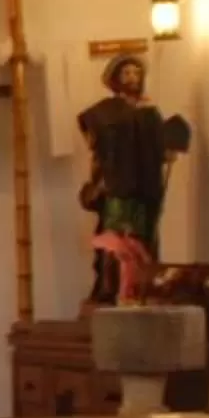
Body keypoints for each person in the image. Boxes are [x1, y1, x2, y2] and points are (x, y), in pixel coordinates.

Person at [76, 53, 190, 305]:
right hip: (117, 185)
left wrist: (167, 150)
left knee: (142, 240)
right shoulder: (106, 110)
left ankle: (140, 288)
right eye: (126, 73)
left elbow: (160, 145)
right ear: (116, 78)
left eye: (136, 73)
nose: (132, 77)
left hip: (145, 187)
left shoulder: (149, 111)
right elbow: (92, 135)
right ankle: (111, 287)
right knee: (116, 240)